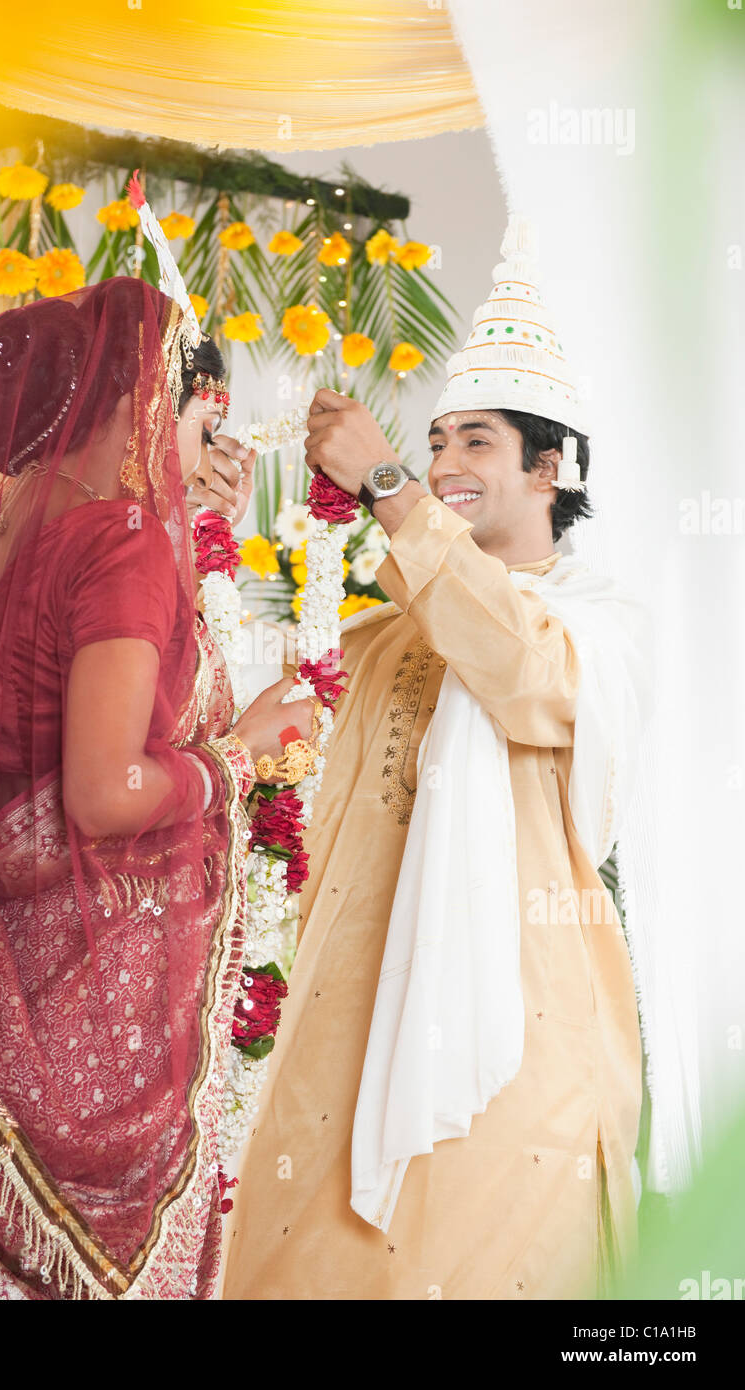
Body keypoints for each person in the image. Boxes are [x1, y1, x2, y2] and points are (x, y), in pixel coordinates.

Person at [0, 275, 314, 1300]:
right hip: (95, 1004)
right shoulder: (117, 538)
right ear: (136, 403)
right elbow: (101, 793)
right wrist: (243, 752)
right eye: (196, 408)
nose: (205, 439)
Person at [221, 216, 654, 1300]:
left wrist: (387, 490)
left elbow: (516, 665)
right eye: (437, 439)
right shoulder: (378, 632)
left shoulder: (596, 629)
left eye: (476, 444)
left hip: (514, 1051)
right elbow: (246, 730)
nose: (443, 463)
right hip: (331, 1038)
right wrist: (201, 529)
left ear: (549, 468)